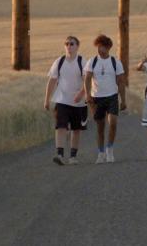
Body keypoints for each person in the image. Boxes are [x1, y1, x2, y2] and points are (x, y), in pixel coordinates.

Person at [43, 35, 88, 166]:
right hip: (62, 100)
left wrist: (81, 94)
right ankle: (60, 154)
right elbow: (52, 81)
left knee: (76, 129)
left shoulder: (82, 61)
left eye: (72, 44)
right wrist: (47, 99)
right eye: (67, 44)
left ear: (77, 46)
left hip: (78, 102)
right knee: (60, 126)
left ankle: (73, 156)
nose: (69, 46)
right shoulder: (59, 62)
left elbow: (87, 81)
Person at [83, 34, 126, 164]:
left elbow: (121, 81)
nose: (100, 49)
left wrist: (123, 100)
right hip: (96, 98)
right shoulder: (92, 61)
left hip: (112, 96)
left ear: (108, 48)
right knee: (100, 127)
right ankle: (101, 153)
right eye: (98, 46)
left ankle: (110, 150)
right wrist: (87, 95)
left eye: (102, 47)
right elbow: (87, 78)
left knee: (113, 123)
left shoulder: (115, 62)